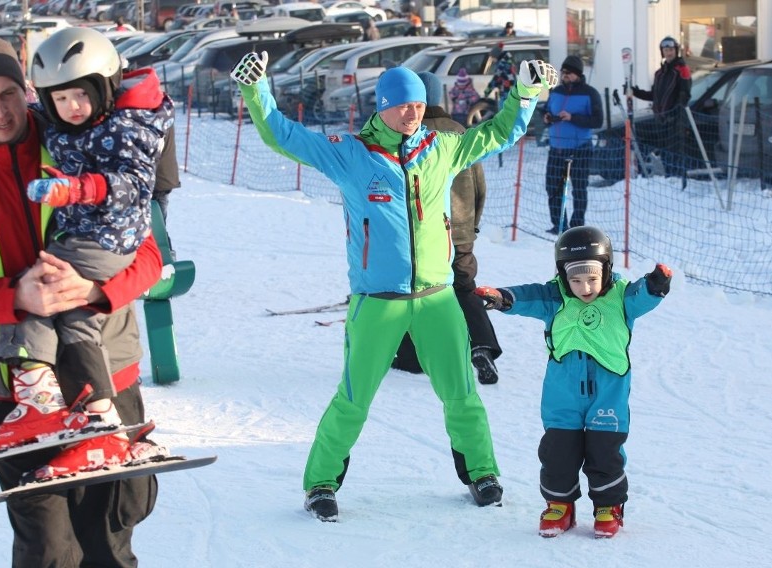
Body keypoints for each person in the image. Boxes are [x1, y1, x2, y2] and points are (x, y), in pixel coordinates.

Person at [232, 50, 557, 521]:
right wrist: (256, 89)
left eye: (420, 105)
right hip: (377, 302)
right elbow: (284, 136)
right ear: (382, 105)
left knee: (462, 394)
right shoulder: (351, 154)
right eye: (405, 105)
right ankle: (321, 484)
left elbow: (500, 132)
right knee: (353, 398)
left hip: (437, 299)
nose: (414, 113)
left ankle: (482, 473)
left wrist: (525, 92)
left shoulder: (442, 149)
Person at [0, 36, 164, 567]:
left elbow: (151, 253)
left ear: (27, 90)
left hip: (108, 375)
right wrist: (12, 296)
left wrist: (98, 290)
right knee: (48, 547)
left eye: (5, 94)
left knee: (112, 534)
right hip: (21, 392)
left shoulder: (74, 137)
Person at [474, 226, 672, 539]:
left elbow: (642, 295)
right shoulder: (555, 297)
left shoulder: (621, 298)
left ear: (606, 269)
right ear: (563, 275)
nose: (584, 287)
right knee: (558, 452)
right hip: (562, 394)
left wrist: (656, 284)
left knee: (605, 451)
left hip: (608, 394)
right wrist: (501, 298)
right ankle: (559, 505)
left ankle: (608, 506)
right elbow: (527, 296)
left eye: (592, 278)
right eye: (575, 280)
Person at [390, 72, 502, 385]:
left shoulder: (407, 133)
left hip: (421, 235)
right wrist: (472, 225)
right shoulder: (459, 132)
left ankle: (411, 358)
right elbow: (479, 186)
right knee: (464, 288)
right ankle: (482, 345)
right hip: (461, 231)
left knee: (414, 291)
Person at [542, 55, 603, 233]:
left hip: (580, 149)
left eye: (568, 72)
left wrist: (572, 118)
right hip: (557, 148)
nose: (565, 75)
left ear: (577, 74)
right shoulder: (556, 91)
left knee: (578, 188)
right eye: (563, 71)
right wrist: (546, 118)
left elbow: (598, 121)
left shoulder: (590, 93)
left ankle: (576, 226)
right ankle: (559, 224)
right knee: (552, 186)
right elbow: (546, 111)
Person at [628, 36, 691, 178]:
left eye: (671, 50)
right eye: (665, 50)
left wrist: (674, 114)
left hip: (676, 122)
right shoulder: (659, 74)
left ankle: (678, 181)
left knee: (676, 156)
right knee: (665, 156)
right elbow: (654, 96)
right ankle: (669, 180)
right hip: (661, 121)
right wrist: (635, 92)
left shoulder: (682, 70)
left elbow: (684, 96)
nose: (668, 53)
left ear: (676, 51)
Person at [484, 44, 517, 110]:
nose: (492, 59)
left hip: (506, 93)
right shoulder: (508, 61)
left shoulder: (502, 65)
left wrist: (487, 92)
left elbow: (495, 79)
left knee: (503, 113)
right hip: (512, 91)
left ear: (496, 56)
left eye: (492, 57)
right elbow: (504, 77)